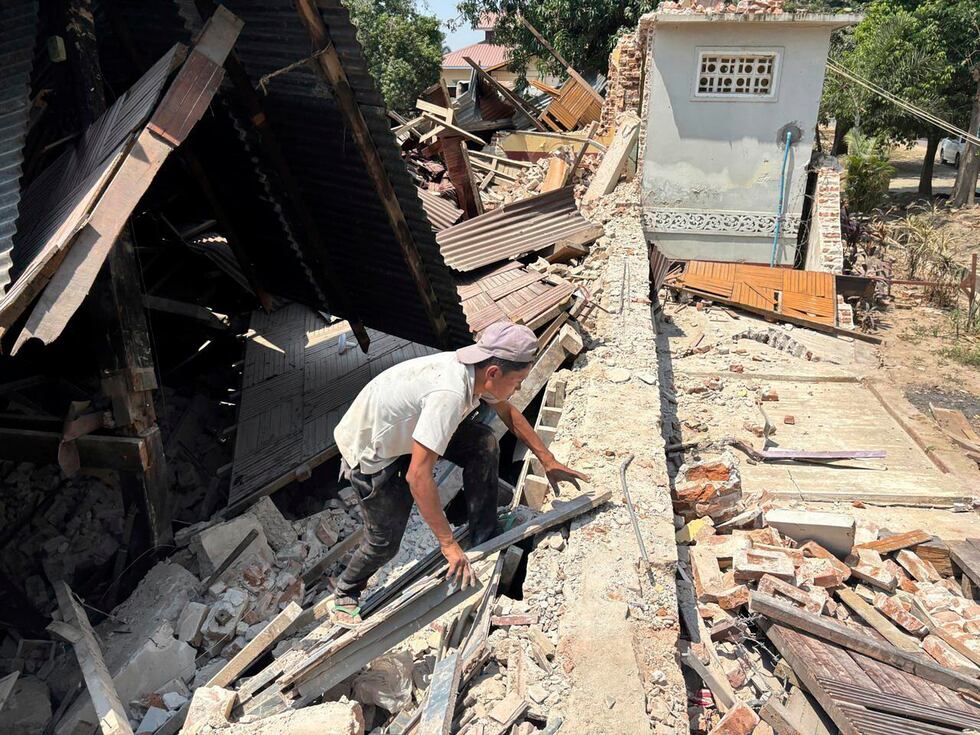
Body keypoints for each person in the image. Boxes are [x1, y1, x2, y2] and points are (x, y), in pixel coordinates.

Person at [329, 321, 588, 626]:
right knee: (385, 541)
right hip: (370, 450)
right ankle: (345, 591)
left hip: (403, 429)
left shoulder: (478, 371)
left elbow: (508, 412)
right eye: (518, 381)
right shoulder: (449, 394)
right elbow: (418, 477)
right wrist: (448, 544)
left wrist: (547, 459)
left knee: (482, 442)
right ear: (494, 373)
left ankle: (484, 532)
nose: (518, 388)